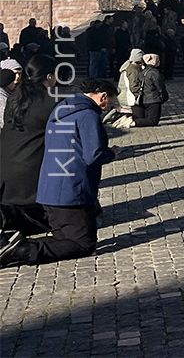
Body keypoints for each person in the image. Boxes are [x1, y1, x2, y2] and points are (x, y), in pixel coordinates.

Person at [0, 79, 121, 268]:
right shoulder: (88, 115)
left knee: (65, 239)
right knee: (83, 244)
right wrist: (111, 154)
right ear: (103, 96)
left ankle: (13, 246)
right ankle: (21, 249)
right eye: (111, 102)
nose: (109, 107)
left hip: (48, 190)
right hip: (72, 192)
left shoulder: (60, 110)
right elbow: (93, 154)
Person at [0, 55, 57, 238]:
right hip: (29, 174)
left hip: (7, 167)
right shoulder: (49, 100)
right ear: (50, 76)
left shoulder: (15, 97)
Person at [132, 54, 168, 127]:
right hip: (153, 99)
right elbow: (160, 87)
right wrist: (163, 97)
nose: (159, 62)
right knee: (153, 120)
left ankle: (134, 122)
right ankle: (132, 123)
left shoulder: (142, 72)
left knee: (148, 118)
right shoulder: (155, 73)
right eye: (157, 60)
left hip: (143, 98)